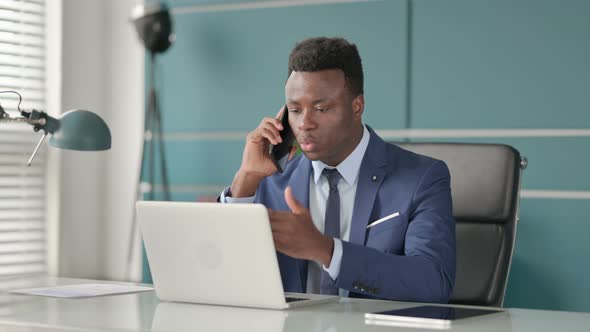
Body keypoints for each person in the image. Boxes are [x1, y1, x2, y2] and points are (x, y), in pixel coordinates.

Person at [220, 37, 455, 303]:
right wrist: (245, 181)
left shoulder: (422, 178)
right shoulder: (270, 177)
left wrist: (326, 250)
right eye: (295, 110)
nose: (305, 124)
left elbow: (433, 282)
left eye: (321, 108)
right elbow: (222, 274)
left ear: (357, 107)